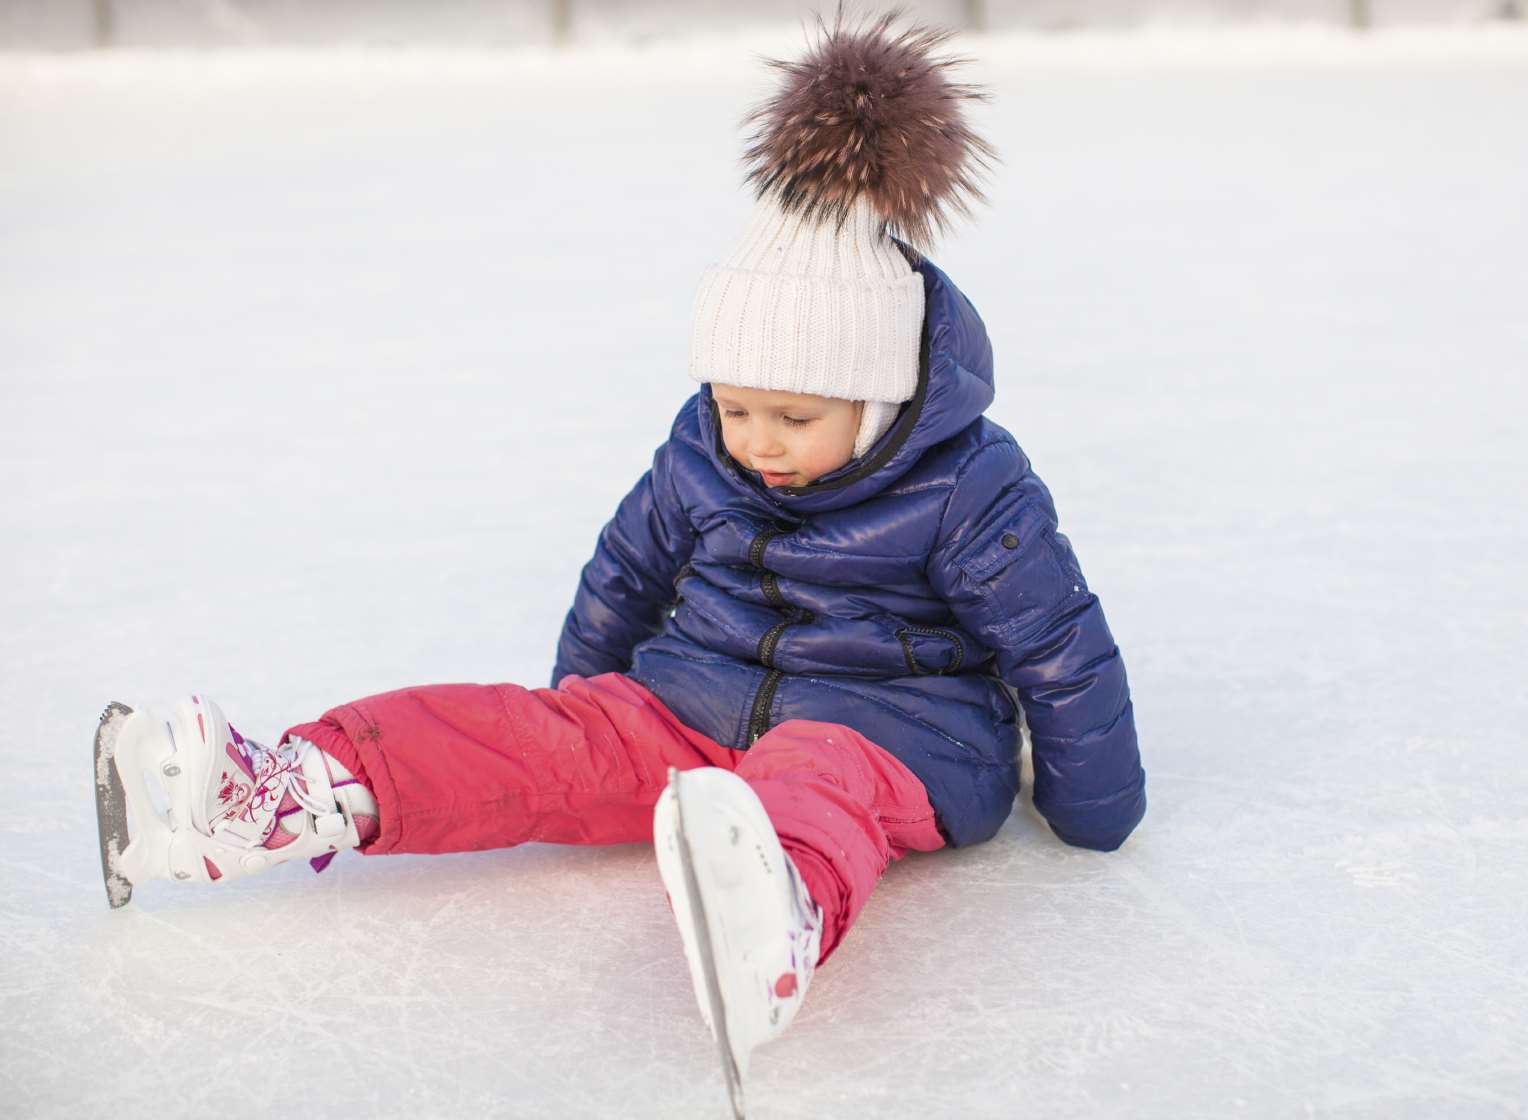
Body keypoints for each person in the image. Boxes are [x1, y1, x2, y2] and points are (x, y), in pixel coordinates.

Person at [91, 13, 1146, 1100]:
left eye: (793, 413)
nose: (757, 440)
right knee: (529, 737)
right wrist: (576, 715)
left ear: (881, 402)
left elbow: (1059, 645)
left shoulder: (972, 485)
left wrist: (1092, 809)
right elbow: (625, 572)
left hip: (897, 735)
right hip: (690, 704)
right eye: (735, 406)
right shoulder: (703, 450)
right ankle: (287, 788)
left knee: (813, 773)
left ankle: (771, 905)